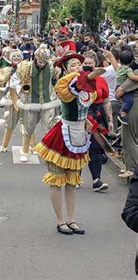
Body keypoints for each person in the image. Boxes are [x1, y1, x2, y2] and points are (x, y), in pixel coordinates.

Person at [35, 52, 105, 235]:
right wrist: (89, 75)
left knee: (72, 182)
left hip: (79, 135)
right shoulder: (64, 84)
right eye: (73, 65)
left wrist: (89, 123)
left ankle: (71, 219)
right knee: (57, 180)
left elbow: (86, 103)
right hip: (62, 135)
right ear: (65, 69)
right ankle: (60, 221)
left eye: (79, 65)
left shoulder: (87, 86)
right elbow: (71, 91)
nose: (77, 68)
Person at [10, 45, 60, 162]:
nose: (42, 64)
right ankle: (25, 151)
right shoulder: (25, 67)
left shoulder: (52, 66)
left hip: (48, 101)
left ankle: (50, 152)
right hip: (31, 101)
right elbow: (14, 81)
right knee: (29, 127)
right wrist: (21, 88)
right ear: (35, 58)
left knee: (50, 128)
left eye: (44, 61)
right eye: (40, 61)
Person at [82, 51, 111, 192]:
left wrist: (110, 120)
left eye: (90, 64)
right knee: (78, 149)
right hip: (80, 117)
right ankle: (75, 178)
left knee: (95, 148)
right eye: (85, 63)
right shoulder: (76, 79)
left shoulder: (101, 80)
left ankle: (97, 180)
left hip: (97, 116)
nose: (87, 66)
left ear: (96, 65)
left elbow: (106, 102)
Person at [116, 67, 138, 178]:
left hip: (133, 107)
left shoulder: (135, 73)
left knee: (129, 138)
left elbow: (120, 91)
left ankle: (132, 168)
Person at [116, 50, 138, 125]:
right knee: (129, 101)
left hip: (118, 86)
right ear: (132, 61)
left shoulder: (120, 68)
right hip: (122, 88)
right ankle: (122, 113)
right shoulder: (128, 69)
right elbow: (132, 77)